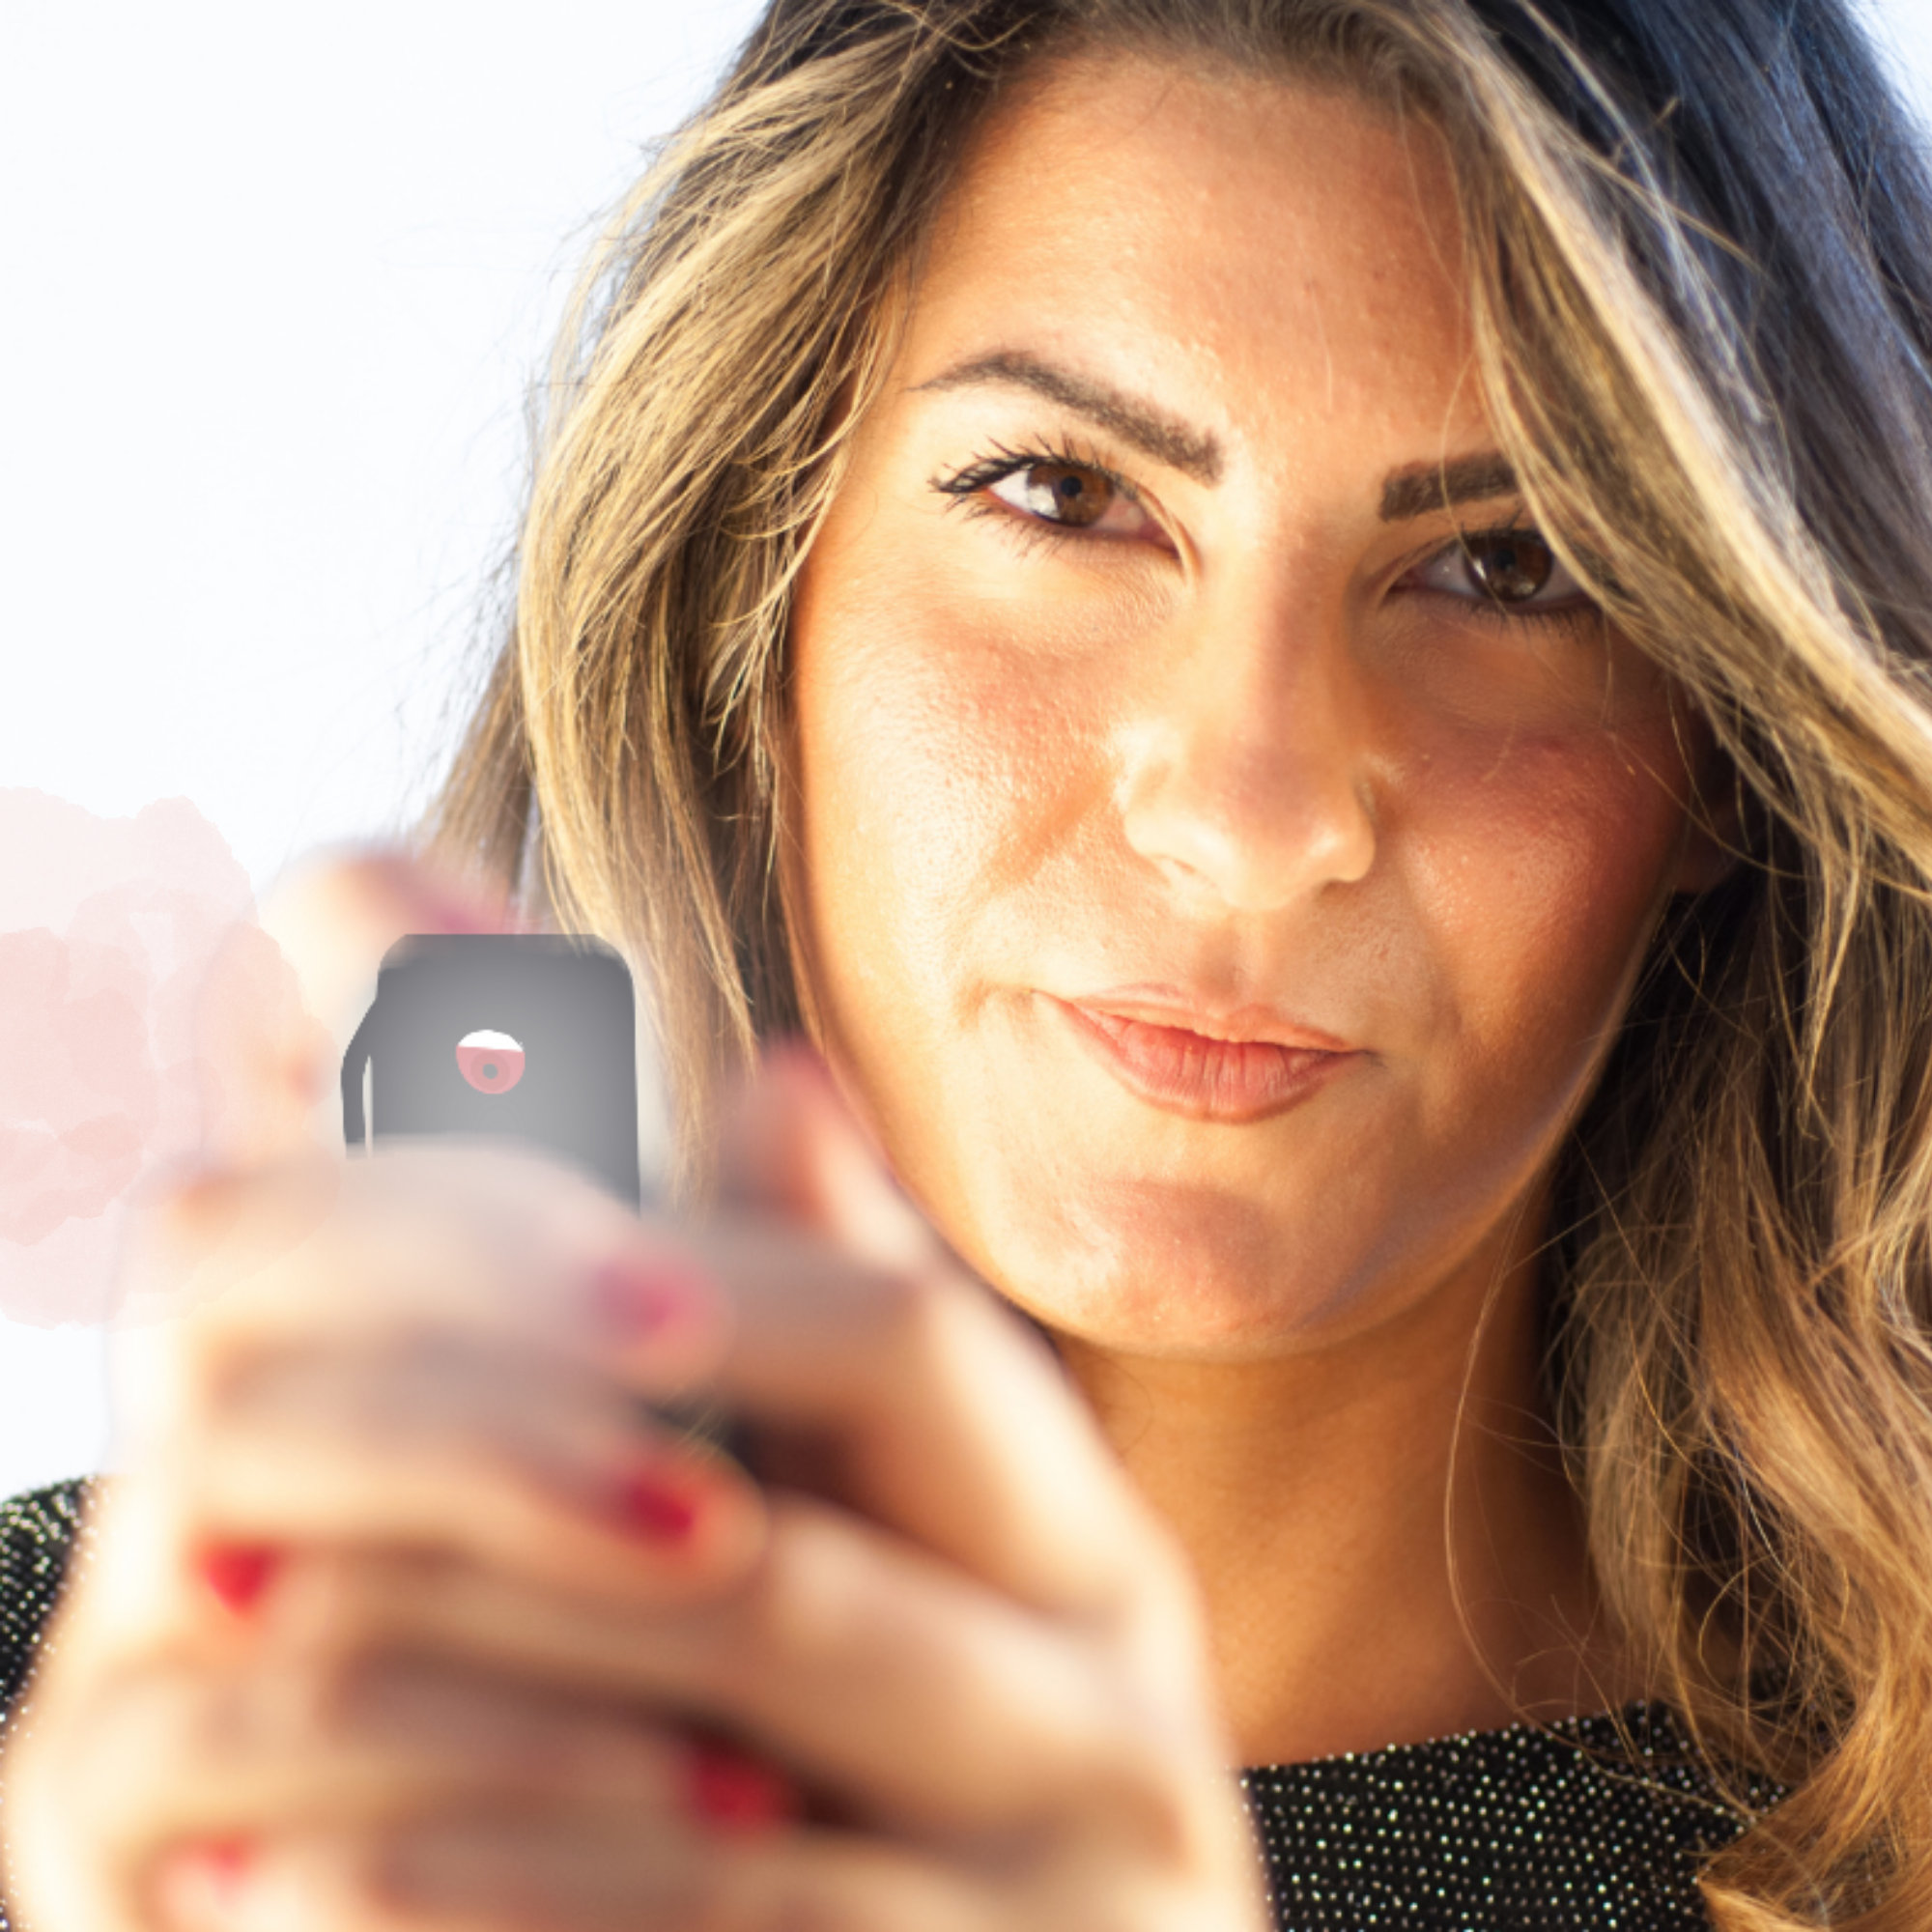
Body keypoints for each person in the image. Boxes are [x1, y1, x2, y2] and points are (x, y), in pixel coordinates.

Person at [3, 0, 1930, 1924]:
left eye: (1513, 569)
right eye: (1063, 493)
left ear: (1729, 743)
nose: (1246, 807)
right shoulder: (121, 1739)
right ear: (757, 596)